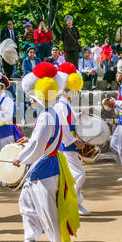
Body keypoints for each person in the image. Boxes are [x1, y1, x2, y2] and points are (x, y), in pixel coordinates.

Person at [11, 62, 79, 242]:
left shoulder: (46, 116)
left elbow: (37, 145)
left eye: (32, 98)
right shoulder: (50, 112)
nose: (31, 101)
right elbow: (40, 140)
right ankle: (30, 238)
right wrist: (29, 143)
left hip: (44, 165)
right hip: (45, 163)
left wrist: (20, 158)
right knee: (27, 200)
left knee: (46, 206)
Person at [54, 62, 90, 215]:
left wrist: (81, 115)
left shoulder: (66, 103)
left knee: (72, 175)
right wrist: (75, 141)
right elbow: (63, 127)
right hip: (66, 145)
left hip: (69, 144)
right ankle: (72, 202)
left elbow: (71, 121)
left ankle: (73, 202)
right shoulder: (62, 104)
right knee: (78, 174)